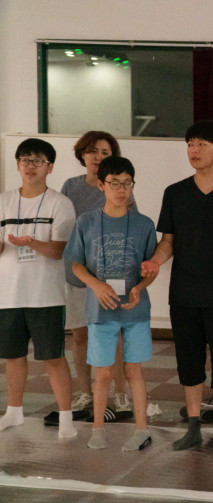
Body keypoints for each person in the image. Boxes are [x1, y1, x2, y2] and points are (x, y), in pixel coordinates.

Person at [141, 120, 213, 451]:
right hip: (184, 293)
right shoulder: (175, 193)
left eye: (201, 144)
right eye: (190, 144)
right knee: (188, 361)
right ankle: (193, 426)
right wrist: (155, 261)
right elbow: (168, 241)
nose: (193, 150)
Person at [64, 156, 156, 451]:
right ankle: (98, 429)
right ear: (101, 185)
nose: (121, 189)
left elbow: (150, 269)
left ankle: (142, 429)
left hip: (135, 310)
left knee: (134, 371)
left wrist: (140, 288)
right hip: (99, 309)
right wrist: (96, 284)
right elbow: (75, 263)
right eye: (114, 183)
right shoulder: (86, 222)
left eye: (127, 183)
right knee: (103, 373)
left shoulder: (144, 224)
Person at [0, 138, 77, 438]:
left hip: (46, 295)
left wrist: (31, 242)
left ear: (50, 167)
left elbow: (58, 251)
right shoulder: (4, 201)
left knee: (53, 357)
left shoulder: (60, 203)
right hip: (8, 294)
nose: (30, 166)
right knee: (13, 356)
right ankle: (13, 412)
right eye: (25, 160)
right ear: (17, 165)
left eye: (37, 160)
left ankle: (67, 417)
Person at [61, 131, 133, 415]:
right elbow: (65, 228)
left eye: (105, 152)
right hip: (78, 274)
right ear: (82, 154)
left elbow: (131, 227)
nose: (98, 157)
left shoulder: (119, 186)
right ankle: (85, 393)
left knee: (114, 335)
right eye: (92, 151)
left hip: (111, 275)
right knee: (80, 336)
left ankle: (121, 394)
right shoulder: (71, 186)